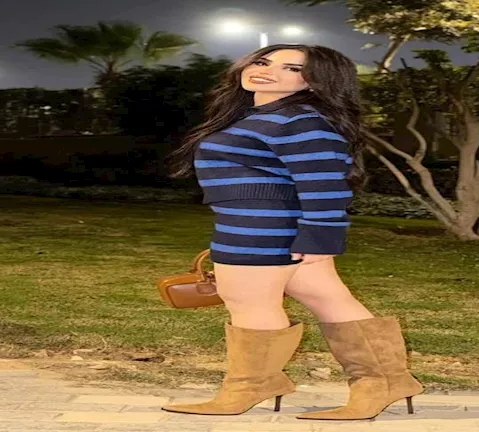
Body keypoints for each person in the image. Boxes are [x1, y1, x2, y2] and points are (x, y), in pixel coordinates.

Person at [161, 44, 422, 421]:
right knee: (329, 299)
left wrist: (321, 235)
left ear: (314, 81)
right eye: (263, 61)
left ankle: (251, 385)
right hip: (258, 222)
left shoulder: (299, 120)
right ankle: (383, 382)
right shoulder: (260, 116)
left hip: (262, 226)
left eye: (291, 68)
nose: (268, 71)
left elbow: (325, 183)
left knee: (249, 303)